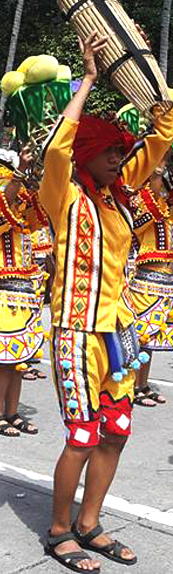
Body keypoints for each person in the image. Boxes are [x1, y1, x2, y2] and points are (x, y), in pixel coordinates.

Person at [40, 34, 173, 572]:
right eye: (113, 152)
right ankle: (58, 530)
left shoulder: (120, 199)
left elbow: (163, 136)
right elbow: (56, 149)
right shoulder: (64, 196)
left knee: (117, 431)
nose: (122, 159)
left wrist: (151, 83)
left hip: (119, 334)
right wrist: (89, 78)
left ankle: (90, 523)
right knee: (81, 435)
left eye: (123, 152)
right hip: (75, 331)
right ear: (89, 157)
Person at [0, 148, 47, 438]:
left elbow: (38, 212)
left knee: (20, 362)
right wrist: (17, 177)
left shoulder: (21, 219)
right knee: (4, 363)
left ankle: (13, 413)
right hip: (3, 297)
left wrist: (36, 175)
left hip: (28, 294)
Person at [128, 158, 172, 407]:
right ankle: (131, 385)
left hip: (165, 281)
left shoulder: (165, 209)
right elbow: (153, 193)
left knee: (151, 339)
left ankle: (142, 384)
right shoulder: (140, 202)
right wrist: (158, 162)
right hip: (145, 281)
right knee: (141, 336)